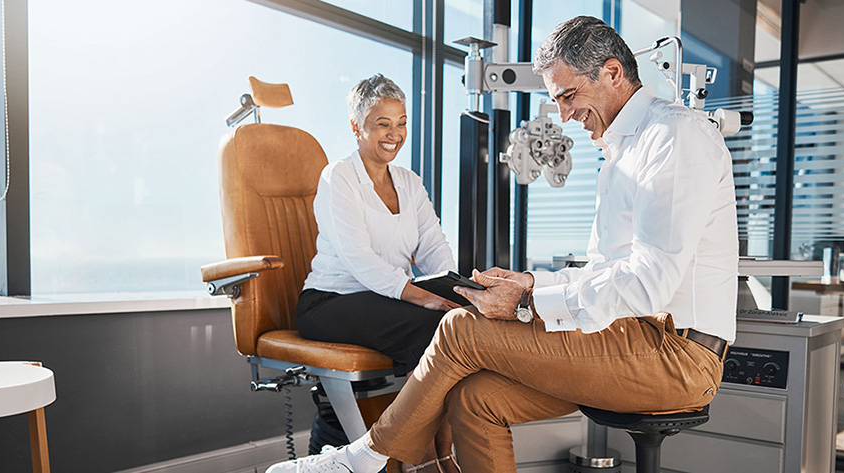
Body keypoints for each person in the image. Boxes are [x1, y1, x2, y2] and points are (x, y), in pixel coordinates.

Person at [267, 15, 738, 473]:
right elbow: (602, 270)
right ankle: (385, 458)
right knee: (475, 399)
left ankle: (364, 459)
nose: (567, 115)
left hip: (674, 356)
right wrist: (529, 282)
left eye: (569, 96)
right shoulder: (620, 154)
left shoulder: (673, 135)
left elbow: (650, 282)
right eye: (558, 101)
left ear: (612, 72)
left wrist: (531, 301)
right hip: (627, 339)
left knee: (459, 330)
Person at [289, 74, 461, 473]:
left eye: (401, 122)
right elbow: (357, 259)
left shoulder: (409, 182)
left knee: (458, 320)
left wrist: (453, 289)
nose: (394, 133)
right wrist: (423, 296)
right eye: (382, 123)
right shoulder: (339, 177)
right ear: (356, 127)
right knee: (434, 329)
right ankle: (430, 453)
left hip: (381, 301)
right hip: (329, 303)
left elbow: (433, 246)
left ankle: (352, 456)